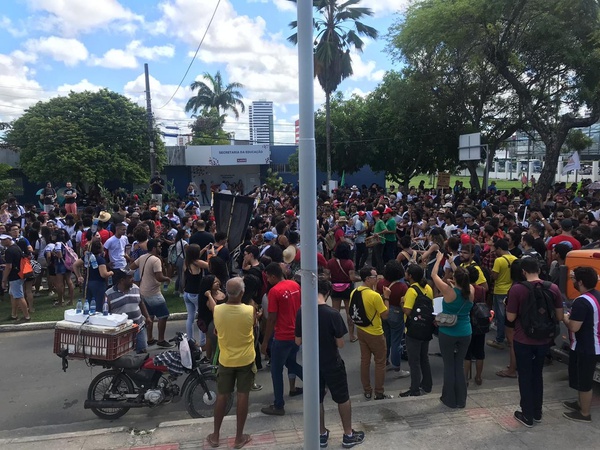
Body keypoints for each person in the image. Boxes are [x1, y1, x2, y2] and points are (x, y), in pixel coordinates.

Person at [295, 278, 366, 449]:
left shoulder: (302, 311)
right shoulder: (333, 314)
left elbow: (298, 341)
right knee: (342, 398)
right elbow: (341, 343)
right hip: (332, 362)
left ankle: (320, 434)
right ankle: (348, 434)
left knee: (317, 399)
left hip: (313, 365)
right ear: (327, 294)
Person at [506, 258, 563, 427]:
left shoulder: (517, 289)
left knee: (524, 376)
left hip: (523, 339)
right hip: (544, 339)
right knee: (537, 375)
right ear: (538, 269)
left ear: (523, 271)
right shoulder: (553, 287)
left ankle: (527, 414)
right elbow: (559, 316)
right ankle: (537, 412)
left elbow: (510, 317)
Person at [206, 278, 255, 449]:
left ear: (226, 292)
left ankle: (215, 436)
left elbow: (217, 330)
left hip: (226, 360)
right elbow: (253, 326)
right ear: (242, 293)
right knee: (243, 396)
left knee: (222, 395)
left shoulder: (218, 310)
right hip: (246, 359)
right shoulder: (250, 310)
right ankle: (239, 437)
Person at [431, 251, 473, 409]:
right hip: (465, 332)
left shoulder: (449, 292)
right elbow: (462, 277)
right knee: (459, 365)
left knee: (449, 366)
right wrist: (453, 263)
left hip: (448, 332)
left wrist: (438, 260)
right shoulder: (471, 291)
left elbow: (434, 275)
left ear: (455, 279)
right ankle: (461, 399)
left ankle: (449, 398)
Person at [260, 262, 303, 416]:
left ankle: (279, 405)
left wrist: (265, 342)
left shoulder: (274, 291)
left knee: (276, 370)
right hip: (296, 334)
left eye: (268, 277)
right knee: (291, 363)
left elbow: (271, 318)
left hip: (282, 336)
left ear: (272, 276)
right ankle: (317, 384)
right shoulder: (295, 285)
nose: (267, 280)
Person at [561, 266, 600, 423]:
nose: (572, 282)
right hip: (592, 344)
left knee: (584, 381)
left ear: (581, 282)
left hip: (586, 346)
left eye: (573, 279)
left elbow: (574, 326)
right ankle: (579, 404)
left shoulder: (581, 302)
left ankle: (584, 413)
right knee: (580, 377)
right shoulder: (596, 295)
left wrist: (564, 317)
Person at [353, 266, 391, 400]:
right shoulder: (375, 296)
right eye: (375, 276)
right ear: (368, 279)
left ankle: (367, 390)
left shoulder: (355, 291)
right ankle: (379, 392)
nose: (378, 278)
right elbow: (385, 314)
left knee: (365, 361)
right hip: (375, 332)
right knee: (380, 362)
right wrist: (387, 298)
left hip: (361, 330)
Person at [129, 239, 173, 349]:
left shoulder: (142, 257)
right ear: (153, 248)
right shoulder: (155, 260)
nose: (160, 248)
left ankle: (150, 338)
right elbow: (159, 277)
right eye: (159, 246)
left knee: (150, 316)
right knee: (163, 316)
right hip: (154, 293)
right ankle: (161, 340)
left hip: (143, 291)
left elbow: (131, 267)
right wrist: (167, 278)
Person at [400, 264, 433, 397]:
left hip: (413, 330)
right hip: (426, 328)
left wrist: (402, 303)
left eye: (407, 272)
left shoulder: (411, 291)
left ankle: (414, 389)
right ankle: (427, 384)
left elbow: (407, 311)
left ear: (410, 276)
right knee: (424, 358)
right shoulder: (428, 288)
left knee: (414, 361)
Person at [105, 269, 151, 354]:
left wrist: (147, 317)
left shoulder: (136, 288)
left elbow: (141, 303)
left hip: (139, 327)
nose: (133, 279)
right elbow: (106, 313)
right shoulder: (109, 294)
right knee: (121, 356)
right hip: (122, 331)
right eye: (130, 277)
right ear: (122, 280)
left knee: (142, 354)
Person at [376, 260, 409, 377]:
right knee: (397, 342)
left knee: (386, 338)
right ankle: (397, 368)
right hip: (396, 313)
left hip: (383, 311)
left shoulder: (380, 283)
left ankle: (385, 361)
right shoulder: (402, 287)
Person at [487, 239, 517, 350]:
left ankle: (499, 339)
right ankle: (510, 338)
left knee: (500, 316)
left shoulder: (499, 260)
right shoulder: (515, 259)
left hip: (499, 290)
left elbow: (494, 276)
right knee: (510, 316)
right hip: (511, 289)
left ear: (499, 249)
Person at [327, 242, 359, 342]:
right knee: (349, 312)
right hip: (347, 289)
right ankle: (351, 336)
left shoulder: (330, 262)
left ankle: (335, 335)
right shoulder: (349, 263)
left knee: (335, 312)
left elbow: (327, 276)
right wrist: (361, 277)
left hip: (334, 288)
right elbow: (352, 278)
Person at [181, 244, 209, 342]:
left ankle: (190, 340)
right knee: (201, 317)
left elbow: (195, 257)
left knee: (190, 318)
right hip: (196, 293)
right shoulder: (198, 263)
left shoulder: (186, 262)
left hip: (187, 293)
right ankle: (202, 341)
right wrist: (211, 254)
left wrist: (204, 249)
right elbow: (210, 265)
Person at [73, 240, 113, 304]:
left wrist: (79, 276)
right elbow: (103, 274)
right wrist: (110, 273)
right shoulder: (100, 259)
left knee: (89, 303)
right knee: (99, 304)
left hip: (87, 283)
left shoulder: (87, 257)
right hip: (98, 284)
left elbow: (75, 265)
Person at [1, 234, 30, 322]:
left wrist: (4, 279)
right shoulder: (16, 248)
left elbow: (9, 266)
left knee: (19, 296)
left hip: (15, 276)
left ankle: (26, 317)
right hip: (20, 274)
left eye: (4, 240)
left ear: (9, 240)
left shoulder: (9, 251)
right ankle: (14, 314)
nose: (2, 242)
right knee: (13, 294)